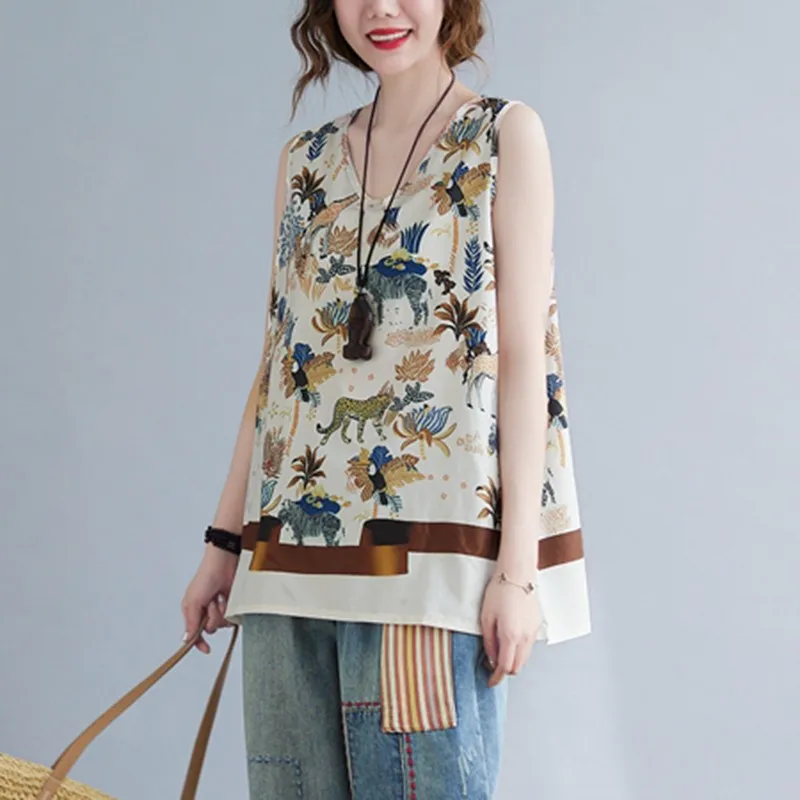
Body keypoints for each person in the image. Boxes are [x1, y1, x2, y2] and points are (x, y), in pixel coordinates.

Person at [181, 1, 591, 797]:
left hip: (431, 569)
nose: (380, 9)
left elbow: (522, 362)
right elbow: (280, 364)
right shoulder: (305, 161)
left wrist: (517, 575)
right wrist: (222, 545)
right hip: (285, 565)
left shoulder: (503, 136)